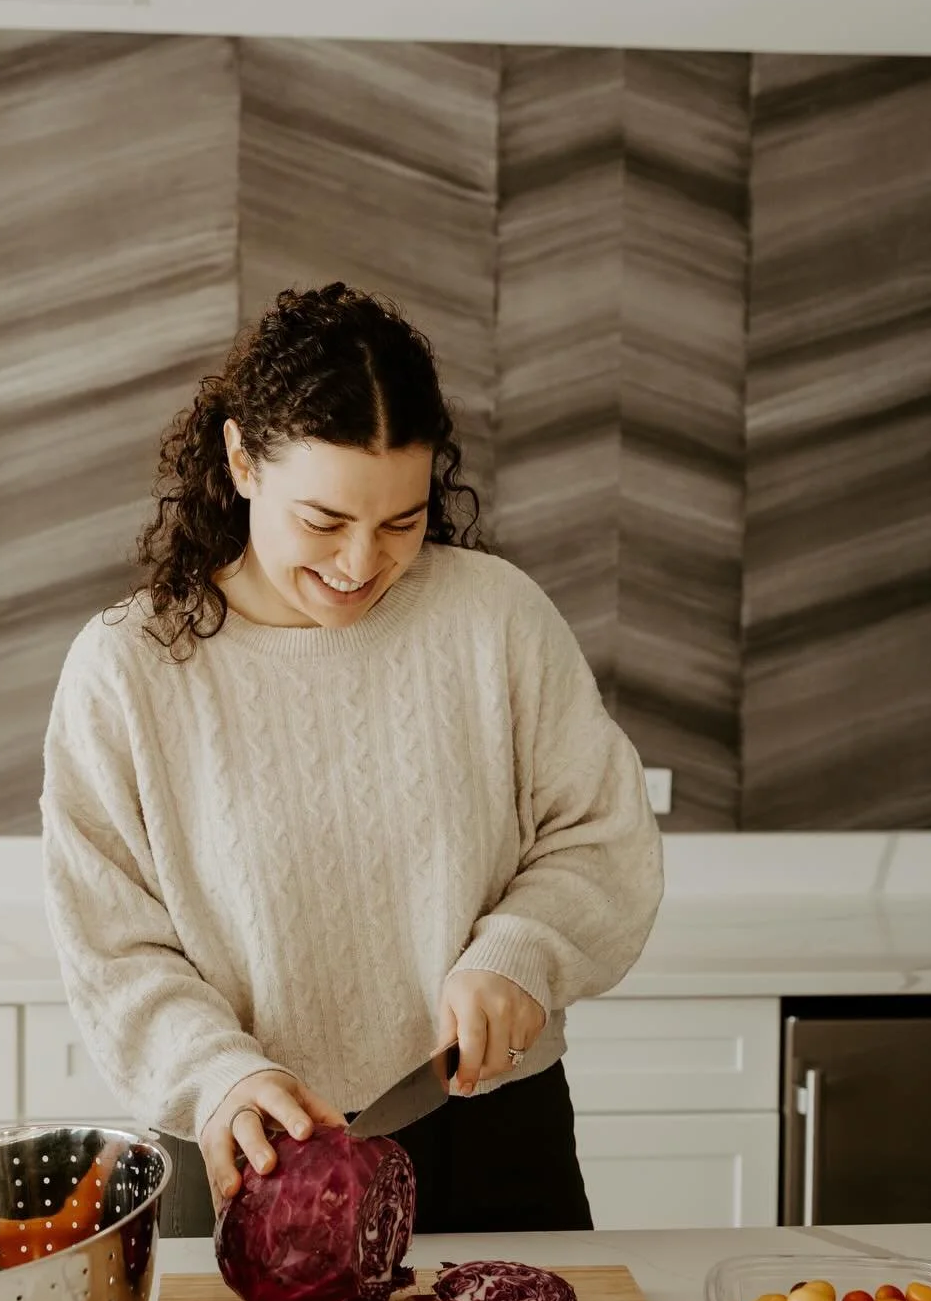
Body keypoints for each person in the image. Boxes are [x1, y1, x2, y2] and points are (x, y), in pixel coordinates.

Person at [40, 282, 664, 1235]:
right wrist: (220, 1073)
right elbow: (113, 948)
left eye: (401, 523)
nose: (361, 563)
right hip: (247, 1147)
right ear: (241, 460)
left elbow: (600, 834)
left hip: (489, 1133)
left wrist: (519, 956)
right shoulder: (127, 669)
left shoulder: (493, 617)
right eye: (323, 522)